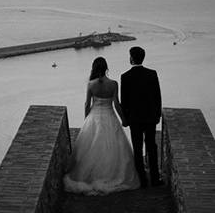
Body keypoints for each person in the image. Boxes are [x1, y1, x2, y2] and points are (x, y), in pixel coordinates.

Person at [63, 57, 140, 194]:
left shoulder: (91, 84)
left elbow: (87, 104)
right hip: (110, 116)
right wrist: (124, 119)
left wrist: (87, 120)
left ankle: (92, 176)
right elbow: (116, 104)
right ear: (106, 68)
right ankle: (111, 175)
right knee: (112, 149)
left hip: (95, 117)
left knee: (92, 149)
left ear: (94, 68)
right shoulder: (113, 84)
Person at [121, 46, 164, 187]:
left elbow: (124, 101)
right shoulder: (152, 74)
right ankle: (155, 179)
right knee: (152, 147)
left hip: (134, 119)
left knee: (137, 149)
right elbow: (157, 97)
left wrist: (125, 118)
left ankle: (142, 181)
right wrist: (157, 114)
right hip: (150, 117)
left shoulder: (125, 76)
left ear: (132, 58)